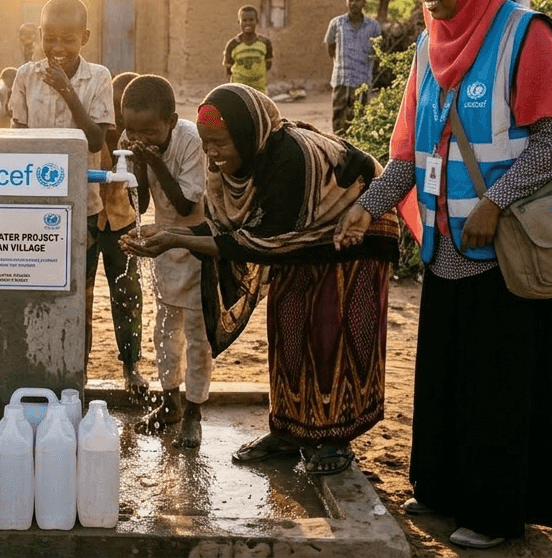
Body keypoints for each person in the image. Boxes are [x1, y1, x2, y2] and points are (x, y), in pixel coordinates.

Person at [336, 0, 552, 550]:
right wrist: (368, 207)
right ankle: (444, 489)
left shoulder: (527, 39)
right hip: (446, 249)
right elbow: (407, 159)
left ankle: (497, 512)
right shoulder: (427, 49)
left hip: (511, 252)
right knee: (447, 375)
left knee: (498, 382)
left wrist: (497, 201)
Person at [122, 84, 400, 476]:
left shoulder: (290, 157)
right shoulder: (225, 167)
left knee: (331, 333)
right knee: (287, 324)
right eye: (206, 143)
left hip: (354, 232)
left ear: (249, 134)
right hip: (297, 238)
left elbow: (261, 241)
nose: (211, 154)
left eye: (220, 143)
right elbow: (223, 226)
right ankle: (288, 431)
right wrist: (163, 232)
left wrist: (175, 239)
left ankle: (335, 439)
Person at [9, 0, 115, 370]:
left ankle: (75, 376)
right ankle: (34, 370)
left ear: (84, 38)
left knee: (78, 295)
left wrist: (67, 91)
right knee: (34, 290)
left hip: (83, 206)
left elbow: (97, 141)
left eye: (67, 39)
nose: (57, 48)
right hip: (34, 207)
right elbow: (16, 138)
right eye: (49, 38)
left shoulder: (99, 77)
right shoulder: (25, 76)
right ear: (39, 35)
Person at [119, 75, 211, 447]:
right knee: (165, 329)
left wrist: (154, 164)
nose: (140, 139)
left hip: (200, 241)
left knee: (197, 336)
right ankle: (170, 402)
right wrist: (140, 163)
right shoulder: (134, 143)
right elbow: (140, 206)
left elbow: (187, 205)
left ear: (171, 121)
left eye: (150, 132)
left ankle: (194, 412)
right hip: (164, 243)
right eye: (132, 130)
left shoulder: (192, 142)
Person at [90, 71, 146, 391]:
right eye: (116, 107)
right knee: (80, 295)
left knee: (127, 294)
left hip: (122, 220)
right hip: (89, 217)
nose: (121, 117)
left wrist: (138, 220)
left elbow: (146, 189)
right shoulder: (95, 132)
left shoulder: (139, 139)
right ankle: (76, 368)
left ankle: (131, 366)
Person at [325, 0, 383, 134]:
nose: (353, 3)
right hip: (341, 79)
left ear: (364, 3)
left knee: (359, 120)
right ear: (346, 2)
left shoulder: (373, 26)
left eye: (357, 0)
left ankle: (356, 153)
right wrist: (340, 63)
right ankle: (338, 150)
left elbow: (377, 51)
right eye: (350, 0)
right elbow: (330, 47)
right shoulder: (336, 23)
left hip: (362, 81)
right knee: (338, 118)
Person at [223, 6, 273, 93]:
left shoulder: (265, 43)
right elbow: (228, 69)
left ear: (257, 21)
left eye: (251, 20)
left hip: (259, 89)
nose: (248, 23)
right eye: (244, 20)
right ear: (239, 22)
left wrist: (256, 74)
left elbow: (268, 64)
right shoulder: (233, 44)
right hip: (239, 89)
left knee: (258, 106)